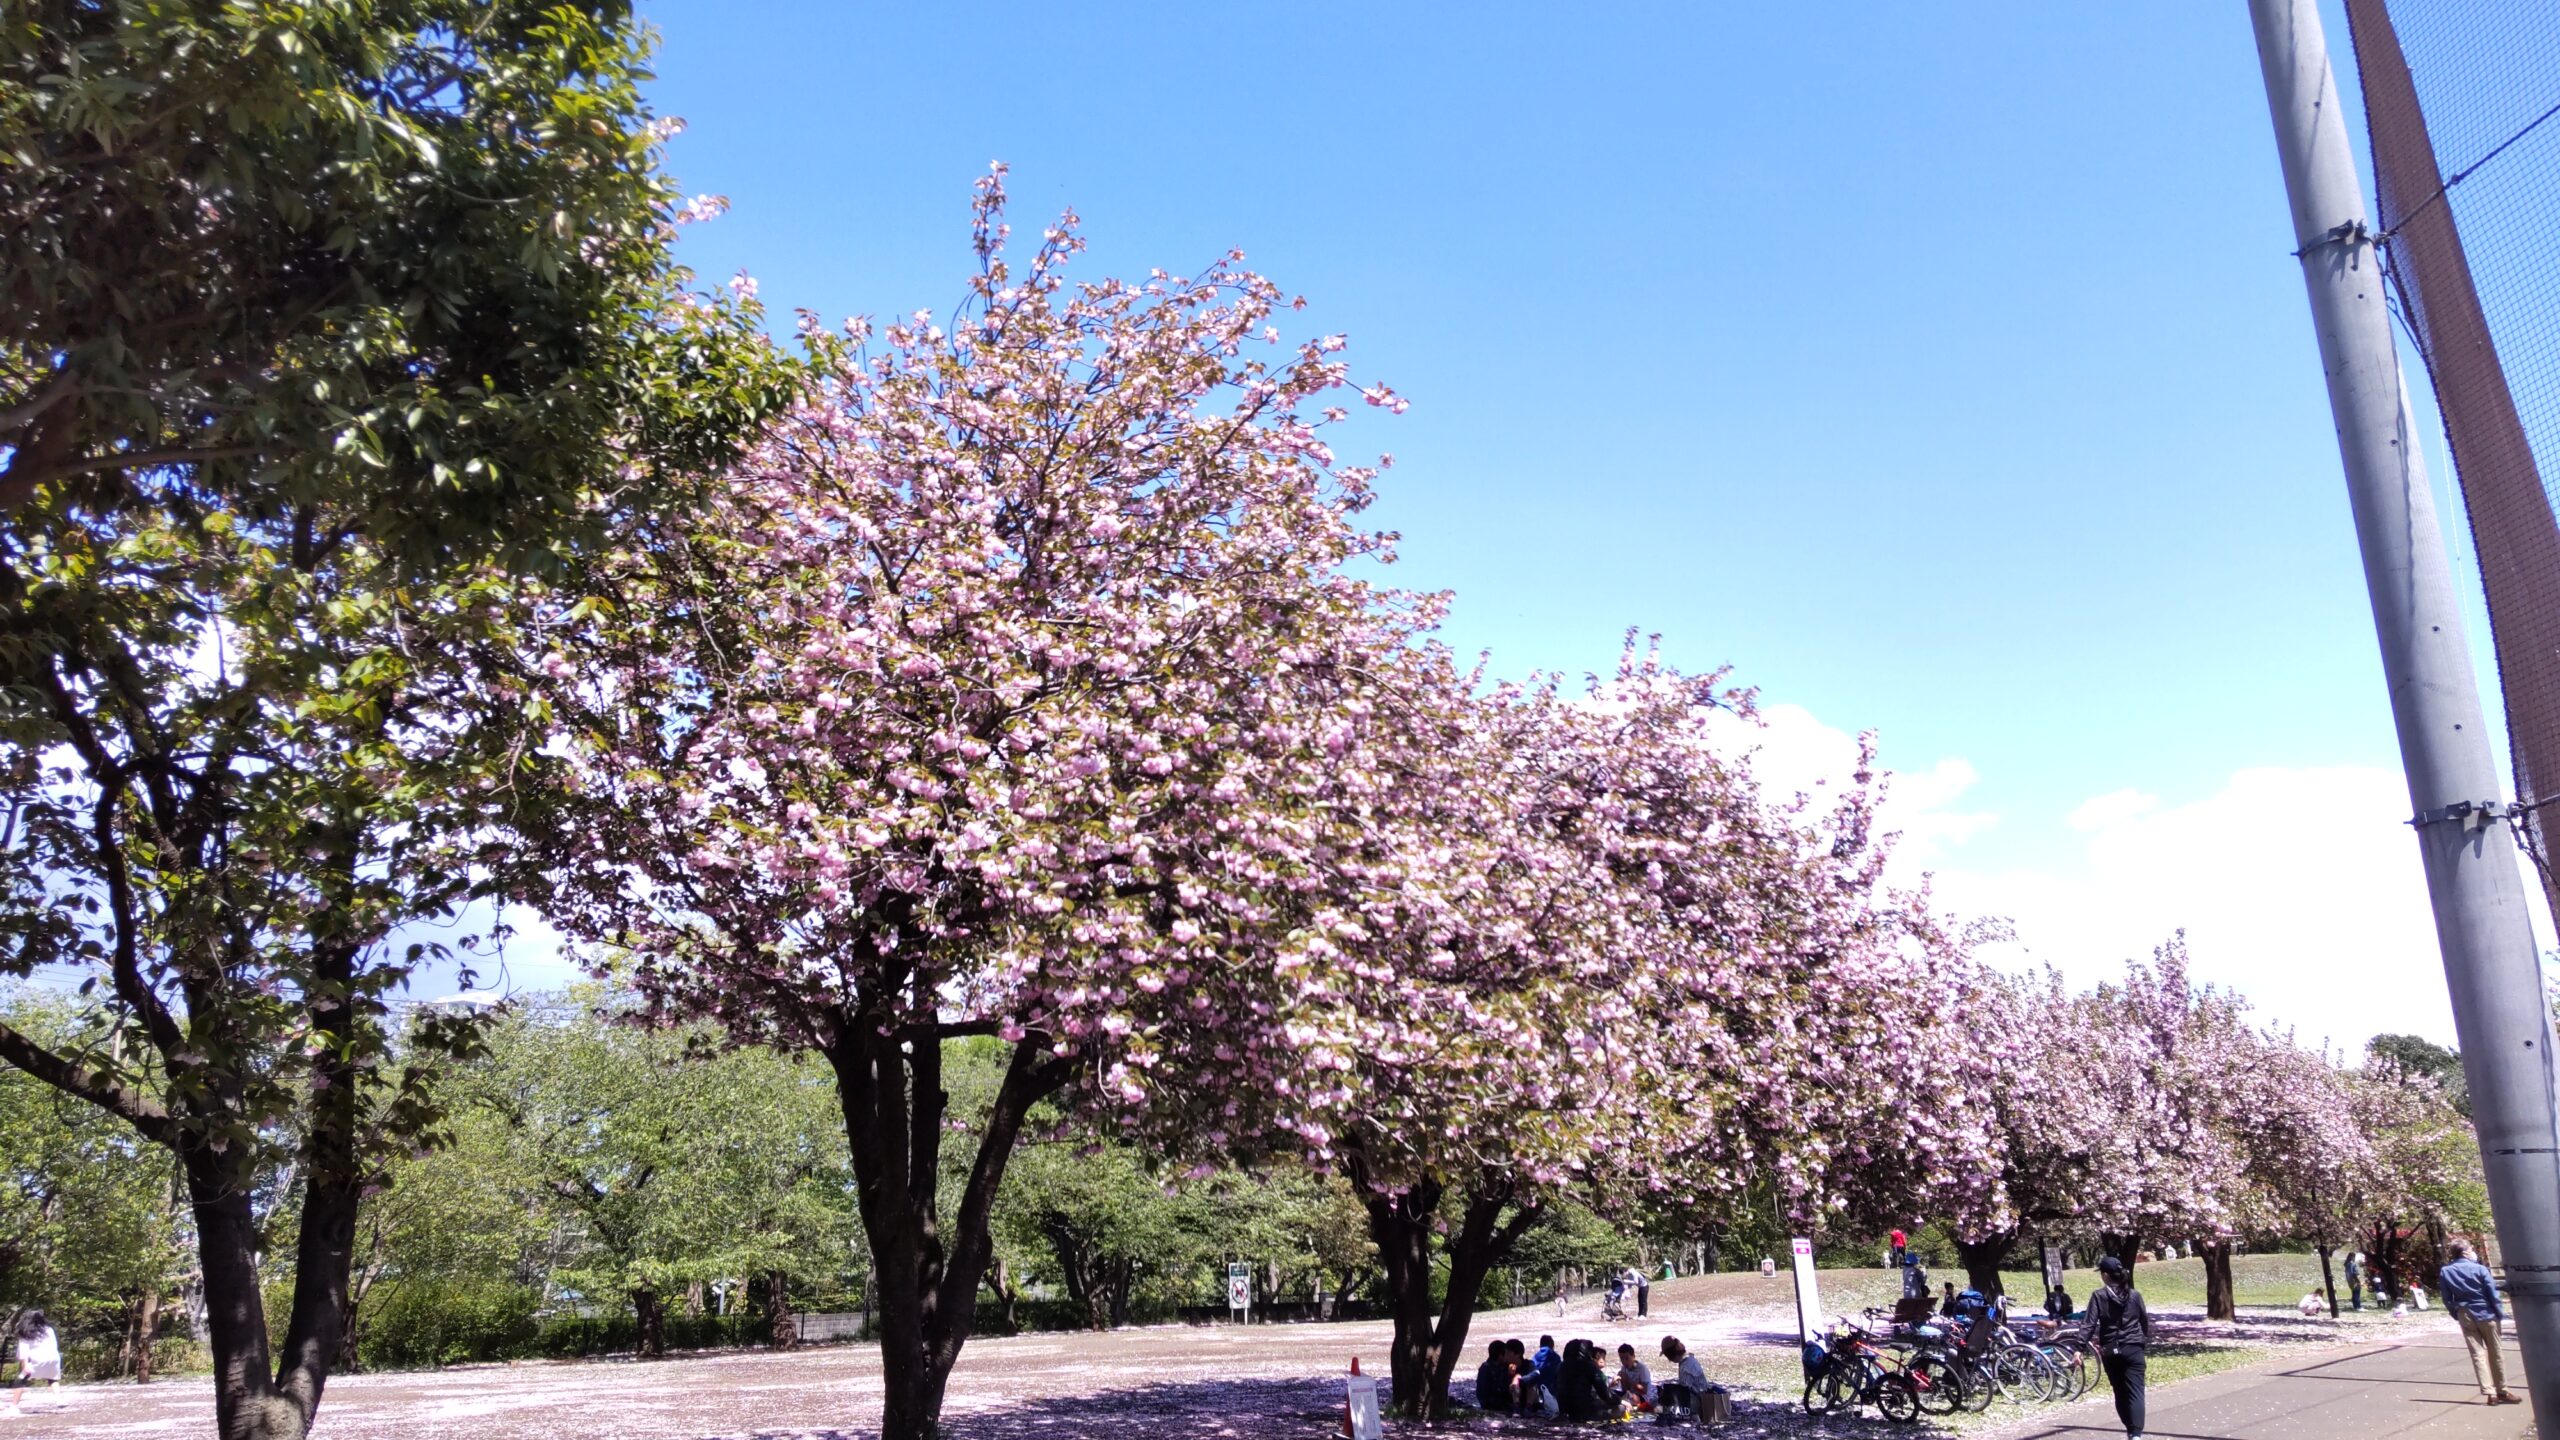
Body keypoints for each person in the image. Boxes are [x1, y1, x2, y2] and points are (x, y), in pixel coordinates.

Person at [2434, 1242, 2522, 1406]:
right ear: (2466, 1252)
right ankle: (2502, 1390)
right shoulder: (2480, 1269)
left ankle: (2489, 1393)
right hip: (2486, 1312)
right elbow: (2492, 1293)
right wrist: (2499, 1313)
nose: (2473, 1252)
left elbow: (2446, 1297)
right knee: (2495, 1352)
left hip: (2464, 1313)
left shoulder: (2446, 1271)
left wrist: (2456, 1313)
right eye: (2471, 1249)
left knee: (2477, 1354)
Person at [2086, 1255, 2152, 1439]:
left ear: (2106, 1275)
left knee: (2120, 1390)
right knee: (2136, 1391)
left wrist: (2078, 1346)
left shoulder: (2099, 1296)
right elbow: (2144, 1320)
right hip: (2134, 1347)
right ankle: (2135, 1434)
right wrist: (2141, 1340)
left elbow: (2089, 1324)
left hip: (2111, 1350)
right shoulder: (2134, 1295)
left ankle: (2130, 1429)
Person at [7, 1311, 59, 1416]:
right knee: (52, 1378)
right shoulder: (49, 1330)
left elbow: (23, 1352)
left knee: (20, 1381)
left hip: (37, 1359)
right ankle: (59, 1399)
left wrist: (25, 1365)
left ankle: (14, 1406)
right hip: (54, 1358)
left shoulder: (26, 1332)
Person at [1656, 1335, 1712, 1416]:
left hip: (1699, 1402)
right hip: (1699, 1397)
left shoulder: (1686, 1365)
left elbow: (1685, 1392)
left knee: (1664, 1405)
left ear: (1671, 1354)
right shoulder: (1689, 1360)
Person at [1475, 1339, 1514, 1414]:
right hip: (1490, 1402)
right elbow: (1485, 1391)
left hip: (1491, 1400)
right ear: (1500, 1356)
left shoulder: (1501, 1366)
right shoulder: (1487, 1368)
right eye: (1506, 1354)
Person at [1614, 1341, 1655, 1409]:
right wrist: (1621, 1381)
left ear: (1633, 1356)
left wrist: (1628, 1380)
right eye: (1622, 1359)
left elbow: (1644, 1390)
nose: (1624, 1361)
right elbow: (1625, 1390)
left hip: (1643, 1397)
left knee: (1630, 1398)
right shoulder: (1624, 1368)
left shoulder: (1642, 1368)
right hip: (1630, 1395)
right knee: (1613, 1395)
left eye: (1627, 1358)